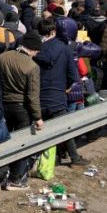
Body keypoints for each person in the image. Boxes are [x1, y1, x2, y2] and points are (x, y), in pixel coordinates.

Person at [34, 20, 89, 166]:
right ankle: (74, 157)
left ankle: (46, 159)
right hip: (57, 95)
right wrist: (67, 87)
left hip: (38, 95)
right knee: (64, 128)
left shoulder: (36, 48)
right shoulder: (64, 48)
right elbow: (72, 74)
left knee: (41, 129)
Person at [0, 31, 44, 190]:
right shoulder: (32, 66)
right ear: (32, 49)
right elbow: (32, 95)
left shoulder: (3, 57)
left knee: (3, 142)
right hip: (22, 108)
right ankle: (15, 179)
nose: (37, 54)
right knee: (22, 144)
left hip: (4, 105)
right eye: (37, 51)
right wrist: (38, 117)